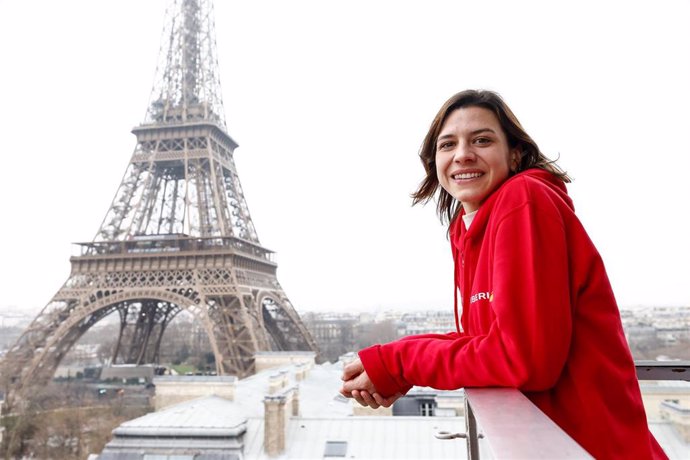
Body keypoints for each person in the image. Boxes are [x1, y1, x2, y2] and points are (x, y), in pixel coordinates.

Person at [340, 89, 667, 459]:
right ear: (435, 162)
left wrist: (400, 361)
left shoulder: (523, 200)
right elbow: (488, 342)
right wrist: (392, 366)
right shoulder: (469, 230)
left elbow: (522, 360)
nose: (463, 153)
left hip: (586, 447)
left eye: (481, 140)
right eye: (448, 144)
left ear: (514, 154)